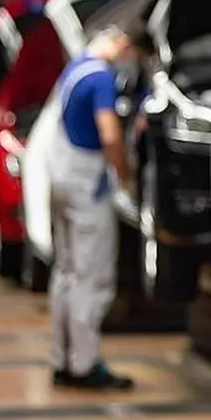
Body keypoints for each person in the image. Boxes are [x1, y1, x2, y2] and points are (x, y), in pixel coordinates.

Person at [48, 23, 153, 389]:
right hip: (88, 188)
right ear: (119, 42)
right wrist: (124, 174)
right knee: (92, 278)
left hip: (61, 180)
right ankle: (85, 364)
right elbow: (108, 133)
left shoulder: (74, 69)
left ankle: (62, 358)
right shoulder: (101, 80)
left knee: (65, 271)